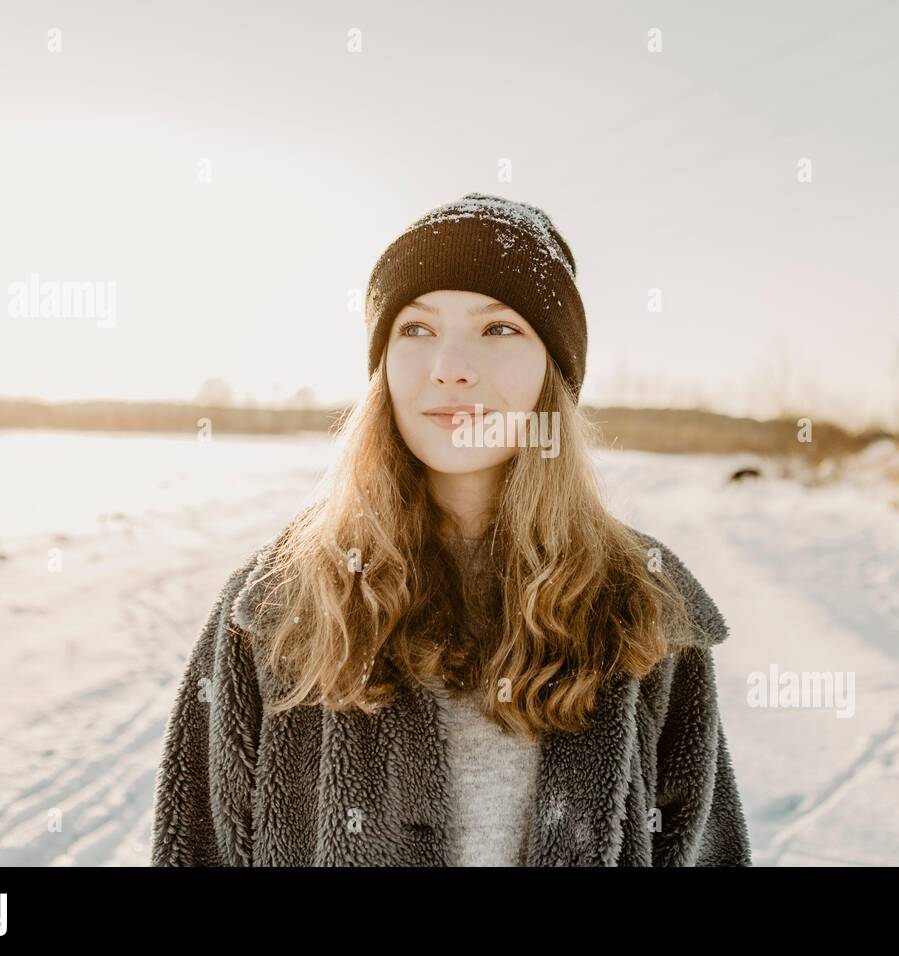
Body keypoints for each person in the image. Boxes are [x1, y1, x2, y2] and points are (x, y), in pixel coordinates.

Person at [150, 192, 751, 866]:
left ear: (553, 369)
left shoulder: (643, 600)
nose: (451, 366)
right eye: (416, 329)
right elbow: (194, 847)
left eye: (499, 329)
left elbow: (704, 848)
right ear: (382, 368)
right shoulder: (276, 603)